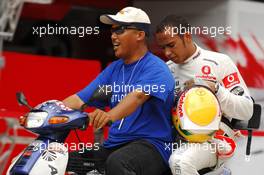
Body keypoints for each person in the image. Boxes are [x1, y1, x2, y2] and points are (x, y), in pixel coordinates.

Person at [63, 7, 175, 175]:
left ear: (139, 35)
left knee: (117, 162)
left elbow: (137, 96)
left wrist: (109, 115)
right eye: (112, 30)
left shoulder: (156, 68)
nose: (113, 36)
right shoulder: (114, 69)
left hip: (153, 146)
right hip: (115, 145)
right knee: (66, 160)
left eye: (120, 30)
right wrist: (44, 113)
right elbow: (78, 100)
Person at [155, 15, 253, 175]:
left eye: (171, 45)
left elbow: (247, 109)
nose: (167, 52)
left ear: (186, 36)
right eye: (163, 48)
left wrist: (216, 89)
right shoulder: (166, 70)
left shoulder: (219, 62)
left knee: (180, 162)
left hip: (212, 140)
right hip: (173, 139)